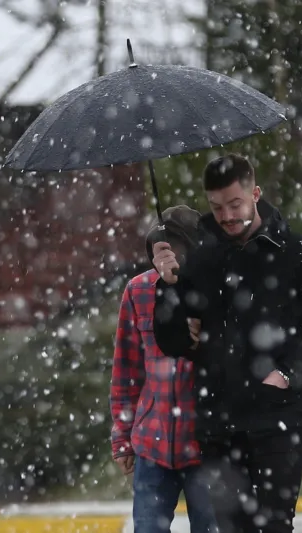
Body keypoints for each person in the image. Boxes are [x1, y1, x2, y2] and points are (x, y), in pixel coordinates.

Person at [151, 154, 302, 533]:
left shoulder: (296, 253)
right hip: (218, 420)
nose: (226, 215)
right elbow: (173, 341)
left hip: (279, 415)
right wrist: (168, 286)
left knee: (275, 526)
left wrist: (288, 372)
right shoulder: (200, 259)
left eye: (235, 204)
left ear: (255, 194)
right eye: (216, 207)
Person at [110, 205, 217, 533]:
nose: (170, 255)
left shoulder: (216, 289)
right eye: (163, 246)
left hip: (207, 447)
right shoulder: (138, 291)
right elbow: (126, 371)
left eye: (178, 246)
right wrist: (122, 438)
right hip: (152, 445)